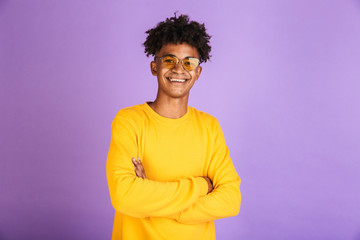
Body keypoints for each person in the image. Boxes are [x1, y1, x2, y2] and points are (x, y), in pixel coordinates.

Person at [106, 14, 241, 240]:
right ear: (154, 66)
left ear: (198, 73)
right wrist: (199, 187)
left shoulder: (209, 127)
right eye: (169, 60)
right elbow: (124, 196)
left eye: (189, 62)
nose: (179, 69)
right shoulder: (129, 121)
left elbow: (231, 200)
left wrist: (151, 199)